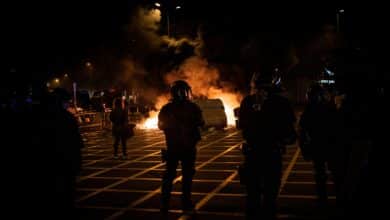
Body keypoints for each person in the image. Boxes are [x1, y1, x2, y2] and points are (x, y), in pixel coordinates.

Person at [239, 71, 296, 220]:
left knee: (252, 196)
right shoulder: (282, 103)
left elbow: (243, 126)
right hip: (272, 154)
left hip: (252, 154)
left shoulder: (247, 101)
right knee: (270, 197)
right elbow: (289, 133)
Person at [158, 80, 205, 215]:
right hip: (188, 148)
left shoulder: (167, 108)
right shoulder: (193, 107)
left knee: (169, 176)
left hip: (172, 147)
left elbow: (161, 125)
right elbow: (201, 122)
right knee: (187, 176)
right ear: (186, 92)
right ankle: (186, 202)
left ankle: (165, 203)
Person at [298, 82, 339, 206]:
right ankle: (329, 198)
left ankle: (323, 198)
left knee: (323, 173)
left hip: (321, 145)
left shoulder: (311, 110)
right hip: (327, 145)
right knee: (330, 173)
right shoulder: (327, 108)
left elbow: (302, 132)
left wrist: (304, 147)